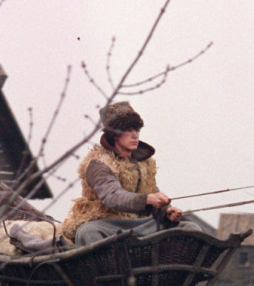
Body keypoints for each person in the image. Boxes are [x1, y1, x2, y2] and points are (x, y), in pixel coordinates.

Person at [60, 102, 184, 245]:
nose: (135, 135)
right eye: (128, 130)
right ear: (114, 135)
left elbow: (152, 192)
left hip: (140, 225)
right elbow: (112, 196)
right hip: (108, 225)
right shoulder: (99, 163)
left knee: (188, 226)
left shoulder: (145, 164)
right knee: (88, 232)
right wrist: (147, 199)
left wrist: (166, 211)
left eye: (137, 130)